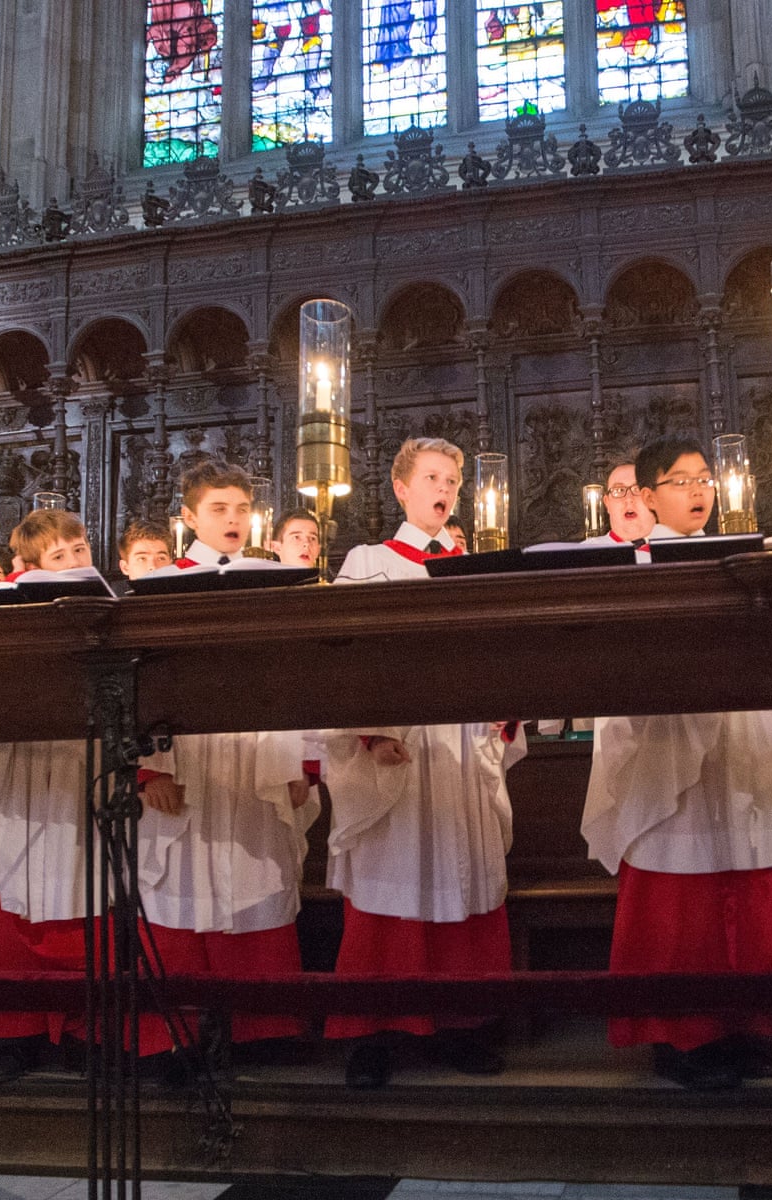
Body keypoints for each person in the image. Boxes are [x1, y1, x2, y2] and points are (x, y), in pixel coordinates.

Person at [582, 436, 772, 1089]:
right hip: (669, 750)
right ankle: (678, 1038)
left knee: (739, 894)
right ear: (648, 496)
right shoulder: (633, 566)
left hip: (734, 749)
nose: (698, 490)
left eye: (705, 478)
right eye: (680, 480)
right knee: (680, 904)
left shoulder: (753, 561)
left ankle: (741, 1028)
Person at [324, 438, 527, 1089]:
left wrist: (505, 713)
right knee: (391, 890)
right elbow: (345, 653)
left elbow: (504, 653)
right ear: (402, 488)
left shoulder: (477, 566)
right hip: (399, 756)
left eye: (453, 481)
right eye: (432, 477)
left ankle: (460, 1028)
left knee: (460, 880)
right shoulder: (370, 561)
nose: (444, 489)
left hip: (462, 751)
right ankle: (375, 1032)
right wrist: (370, 733)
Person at [136, 461, 318, 1067]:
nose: (233, 520)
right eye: (218, 510)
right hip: (183, 758)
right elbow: (141, 679)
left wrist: (302, 763)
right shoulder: (159, 585)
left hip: (256, 755)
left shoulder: (273, 580)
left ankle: (260, 1031)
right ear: (187, 518)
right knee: (180, 887)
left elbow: (298, 672)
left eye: (241, 509)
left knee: (254, 875)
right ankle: (177, 1037)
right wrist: (149, 771)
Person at [0, 509, 98, 1081]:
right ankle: (10, 1037)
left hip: (76, 767)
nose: (73, 564)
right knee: (10, 897)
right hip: (14, 766)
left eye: (79, 551)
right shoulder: (2, 604)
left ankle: (86, 1032)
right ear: (30, 568)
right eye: (58, 558)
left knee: (81, 896)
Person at [590, 461, 656, 546]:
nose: (628, 499)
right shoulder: (581, 554)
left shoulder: (676, 549)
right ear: (607, 503)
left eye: (638, 489)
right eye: (619, 490)